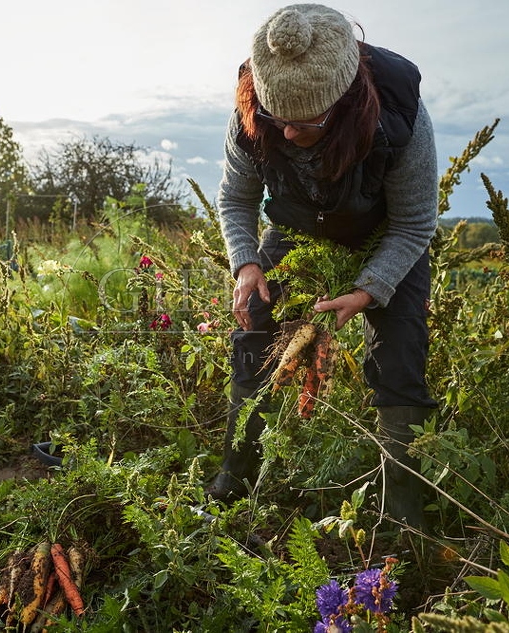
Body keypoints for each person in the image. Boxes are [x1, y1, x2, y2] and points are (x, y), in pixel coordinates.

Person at [206, 3, 438, 530]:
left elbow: (413, 223)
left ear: (343, 105)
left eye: (303, 123)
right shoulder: (251, 114)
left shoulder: (399, 119)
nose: (285, 135)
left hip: (386, 234)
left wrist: (368, 290)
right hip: (297, 228)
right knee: (256, 335)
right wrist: (245, 264)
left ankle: (403, 516)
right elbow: (235, 198)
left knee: (398, 361)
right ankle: (235, 478)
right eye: (274, 119)